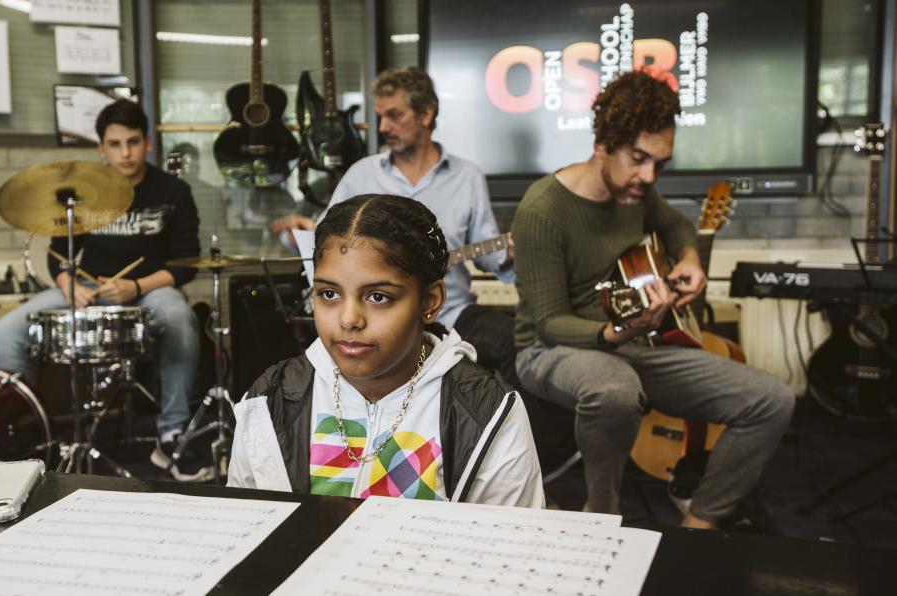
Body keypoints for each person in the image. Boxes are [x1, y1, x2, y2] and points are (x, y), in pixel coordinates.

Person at [511, 71, 795, 528]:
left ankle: (699, 522)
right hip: (551, 350)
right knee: (615, 390)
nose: (649, 176)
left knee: (771, 399)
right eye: (639, 159)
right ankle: (600, 515)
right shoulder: (542, 209)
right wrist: (614, 331)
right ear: (603, 142)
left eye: (660, 164)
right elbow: (548, 322)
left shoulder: (635, 192)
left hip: (632, 342)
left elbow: (680, 226)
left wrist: (690, 259)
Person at [230, 194, 544, 506]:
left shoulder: (487, 413)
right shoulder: (269, 401)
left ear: (429, 302)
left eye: (378, 297)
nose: (349, 319)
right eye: (328, 293)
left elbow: (510, 545)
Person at [0, 99, 206, 481]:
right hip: (88, 286)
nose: (125, 153)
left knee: (179, 318)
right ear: (101, 148)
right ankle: (21, 437)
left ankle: (173, 431)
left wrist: (135, 285)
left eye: (133, 142)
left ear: (148, 143)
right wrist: (68, 284)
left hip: (148, 288)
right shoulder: (84, 191)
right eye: (115, 144)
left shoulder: (173, 192)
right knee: (4, 331)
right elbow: (59, 255)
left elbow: (185, 263)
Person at [270, 67, 519, 389]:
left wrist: (510, 252)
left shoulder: (467, 176)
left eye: (394, 115)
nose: (384, 127)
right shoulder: (362, 174)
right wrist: (298, 234)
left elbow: (489, 254)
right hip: (375, 314)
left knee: (518, 344)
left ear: (426, 114)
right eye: (380, 117)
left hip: (452, 313)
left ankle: (516, 435)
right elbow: (327, 245)